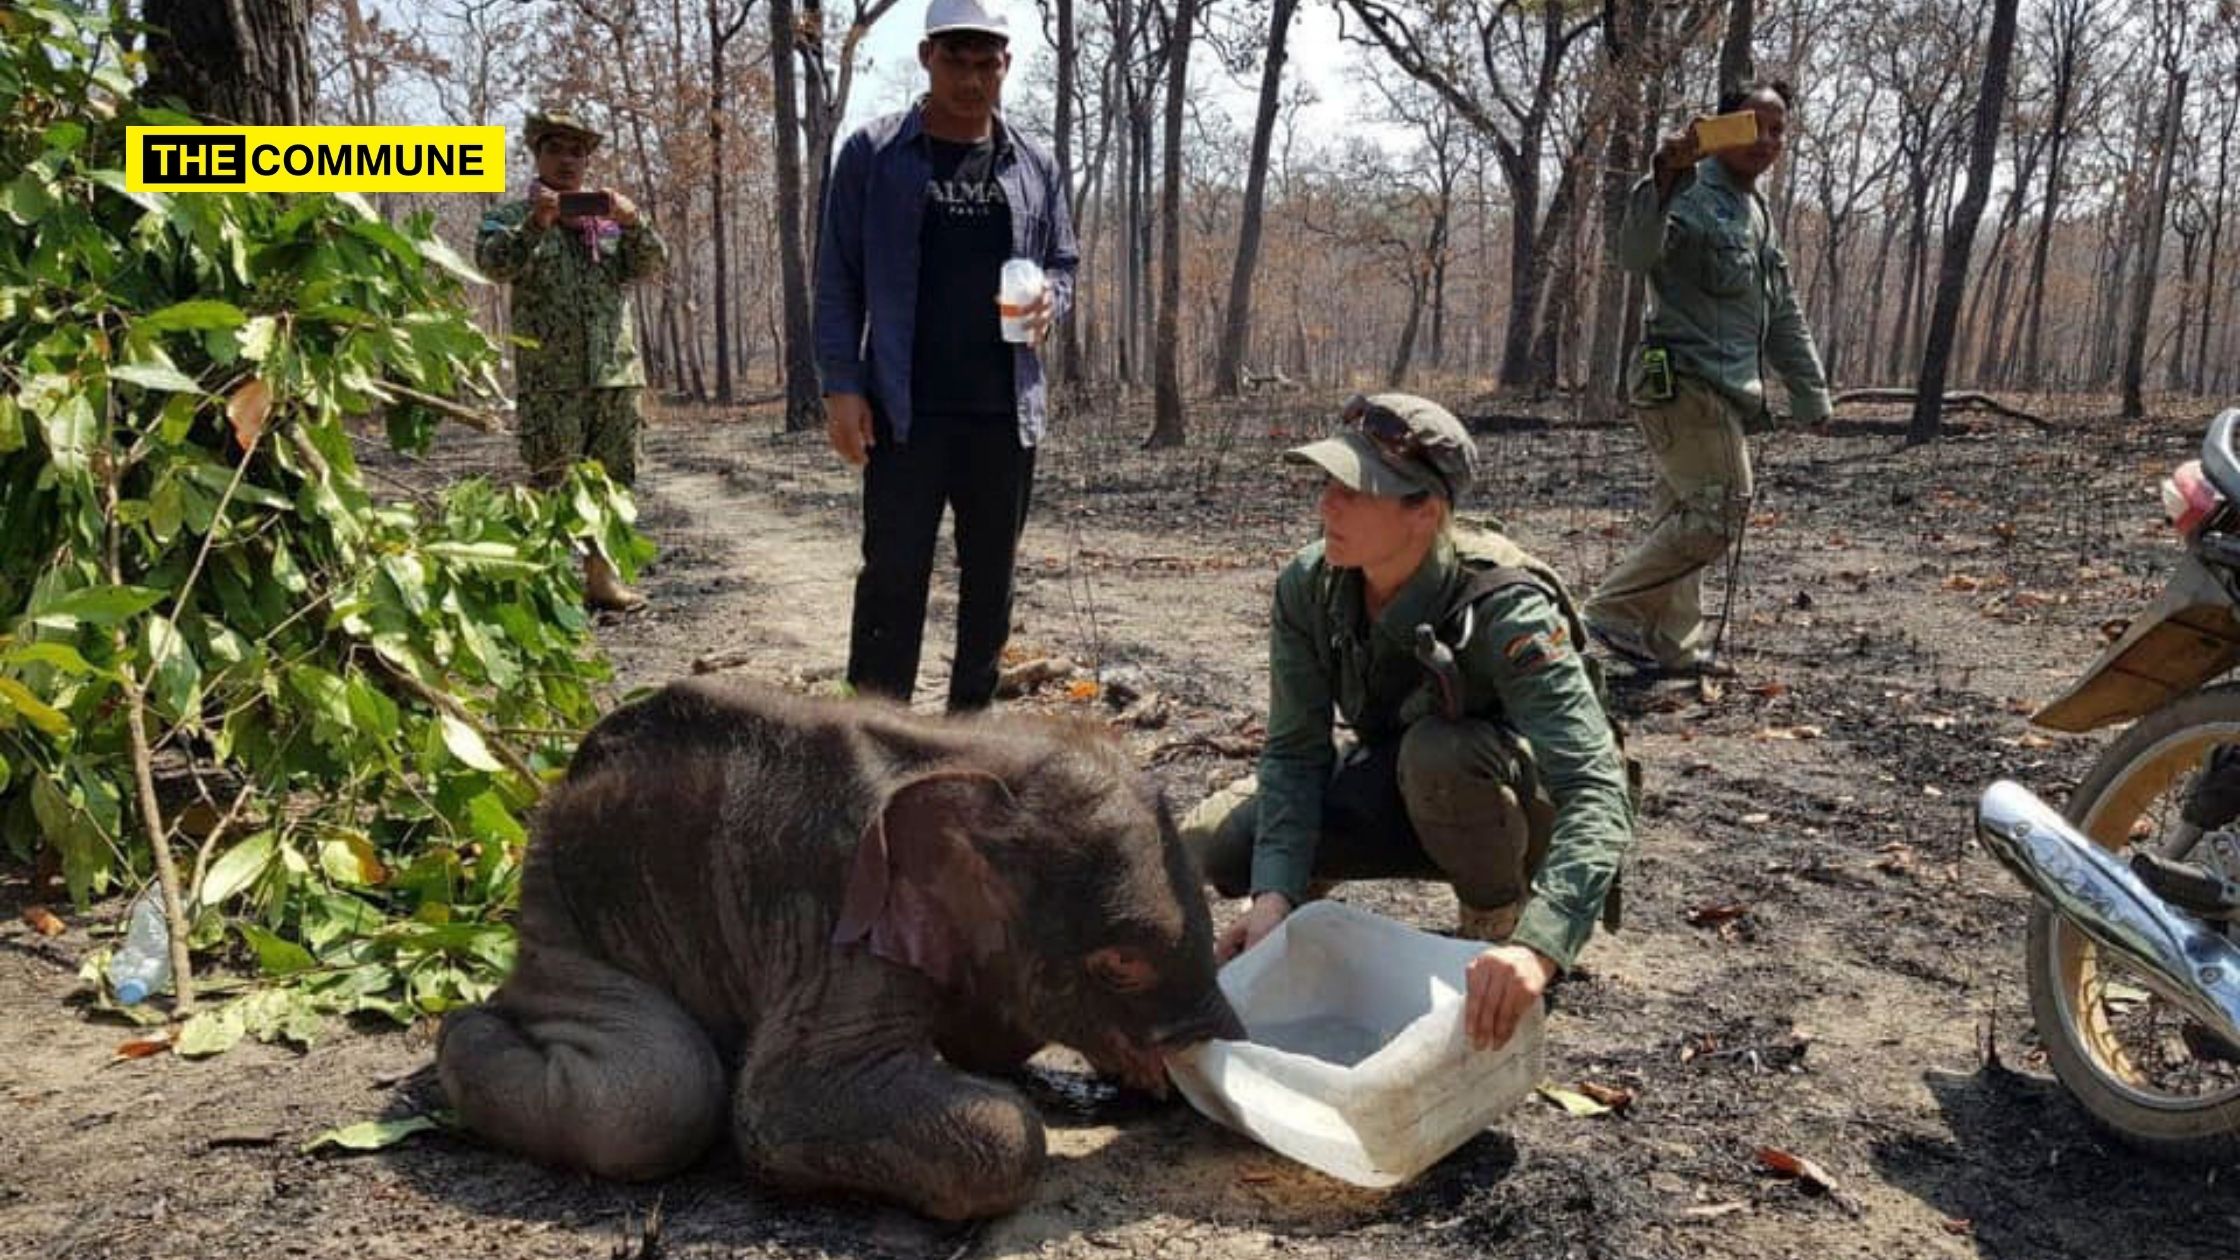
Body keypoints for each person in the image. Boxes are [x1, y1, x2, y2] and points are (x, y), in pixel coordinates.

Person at [1180, 394, 1637, 1053]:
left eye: (1354, 491)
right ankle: (1300, 898)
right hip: (1392, 786)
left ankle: (1492, 931)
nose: (1326, 506)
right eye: (1326, 483)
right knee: (1207, 844)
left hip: (1500, 813)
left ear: (1425, 512)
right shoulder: (1311, 585)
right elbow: (1294, 754)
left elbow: (1596, 785)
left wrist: (1543, 943)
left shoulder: (1506, 605)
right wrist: (1273, 894)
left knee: (1440, 755)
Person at [814, 0, 1079, 711]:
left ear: (1006, 66)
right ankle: (873, 731)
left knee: (991, 577)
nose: (970, 78)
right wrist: (841, 386)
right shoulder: (874, 153)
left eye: (985, 62)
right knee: (893, 575)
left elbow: (1062, 261)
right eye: (955, 60)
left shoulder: (1035, 163)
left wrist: (1054, 297)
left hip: (1003, 409)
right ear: (927, 57)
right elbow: (838, 276)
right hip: (905, 408)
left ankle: (970, 727)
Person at [1584, 79, 1830, 677]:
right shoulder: (1688, 191)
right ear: (1720, 128)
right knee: (1723, 510)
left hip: (1724, 390)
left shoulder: (1758, 211)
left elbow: (1782, 309)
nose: (1767, 140)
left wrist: (1809, 388)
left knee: (1686, 517)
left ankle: (1675, 646)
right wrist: (1664, 176)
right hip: (1682, 382)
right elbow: (1636, 256)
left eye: (1778, 129)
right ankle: (1611, 610)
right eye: (1752, 125)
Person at [476, 109, 668, 612]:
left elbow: (649, 264)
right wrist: (536, 225)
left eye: (578, 152)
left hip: (614, 373)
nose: (568, 160)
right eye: (557, 149)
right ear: (537, 154)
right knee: (550, 479)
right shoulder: (509, 218)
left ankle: (601, 580)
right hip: (551, 380)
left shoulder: (602, 221)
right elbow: (494, 265)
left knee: (613, 480)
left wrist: (633, 221)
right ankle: (540, 586)